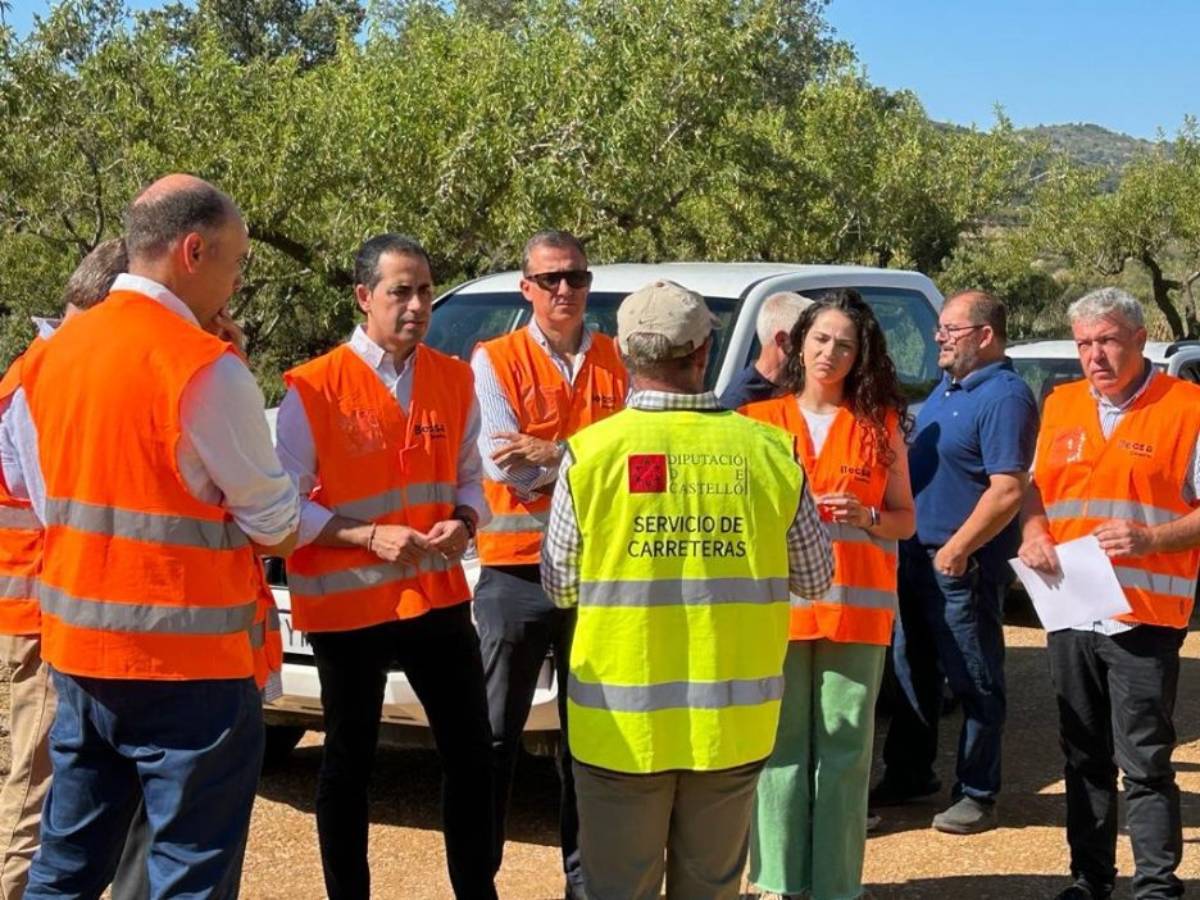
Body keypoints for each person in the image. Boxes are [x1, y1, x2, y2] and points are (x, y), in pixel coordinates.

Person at [12, 174, 299, 899]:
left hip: (80, 653)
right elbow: (278, 524)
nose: (236, 283)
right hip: (189, 674)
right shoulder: (202, 367)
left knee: (66, 866)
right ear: (193, 250)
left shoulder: (52, 358)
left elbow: (56, 505)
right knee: (188, 875)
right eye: (235, 263)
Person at [541, 279, 833, 900]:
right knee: (712, 887)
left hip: (621, 727)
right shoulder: (769, 450)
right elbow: (816, 575)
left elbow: (560, 584)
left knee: (619, 888)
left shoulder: (590, 454)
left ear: (623, 353)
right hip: (732, 722)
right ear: (704, 350)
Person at [275, 233, 496, 900]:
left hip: (434, 597)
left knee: (471, 754)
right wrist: (366, 536)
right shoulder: (311, 388)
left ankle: (475, 892)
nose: (417, 304)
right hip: (348, 608)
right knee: (349, 761)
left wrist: (465, 520)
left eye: (426, 289)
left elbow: (472, 478)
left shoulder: (455, 378)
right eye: (401, 291)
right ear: (363, 297)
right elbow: (282, 509)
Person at [1017, 288, 1200, 900]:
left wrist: (1151, 539)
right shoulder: (1062, 403)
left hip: (1144, 614)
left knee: (1144, 760)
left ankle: (1156, 885)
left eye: (1107, 340)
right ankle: (1089, 878)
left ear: (1140, 338)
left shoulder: (1187, 407)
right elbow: (1037, 489)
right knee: (1082, 755)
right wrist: (1035, 530)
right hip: (1071, 607)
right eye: (1085, 343)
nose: (1094, 354)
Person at [741, 289, 915, 899]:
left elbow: (904, 520)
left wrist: (867, 514)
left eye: (844, 343)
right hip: (778, 615)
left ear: (860, 354)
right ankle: (776, 884)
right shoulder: (757, 424)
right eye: (821, 339)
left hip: (856, 614)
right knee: (780, 753)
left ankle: (838, 887)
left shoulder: (882, 426)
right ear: (798, 343)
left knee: (844, 756)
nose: (830, 353)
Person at [470, 229, 627, 897]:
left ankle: (583, 887)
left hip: (601, 576)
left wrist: (550, 453)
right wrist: (592, 459)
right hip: (514, 575)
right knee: (494, 742)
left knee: (590, 744)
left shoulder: (621, 360)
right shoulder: (493, 359)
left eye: (578, 277)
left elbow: (646, 469)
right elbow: (503, 462)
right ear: (526, 288)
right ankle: (478, 881)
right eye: (552, 278)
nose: (567, 289)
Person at [871, 289, 1037, 834]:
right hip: (916, 558)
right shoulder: (948, 387)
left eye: (950, 330)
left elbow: (1008, 489)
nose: (938, 338)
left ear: (985, 336)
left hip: (960, 565)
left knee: (974, 678)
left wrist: (958, 548)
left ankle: (978, 791)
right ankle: (910, 775)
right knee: (912, 673)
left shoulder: (1005, 397)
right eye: (940, 329)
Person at [0, 238, 126, 900]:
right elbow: (65, 507)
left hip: (55, 611)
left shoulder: (47, 365)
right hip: (42, 616)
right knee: (35, 804)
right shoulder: (47, 371)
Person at [718, 291, 813, 409]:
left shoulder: (799, 387)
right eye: (808, 337)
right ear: (783, 340)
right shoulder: (739, 403)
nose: (817, 347)